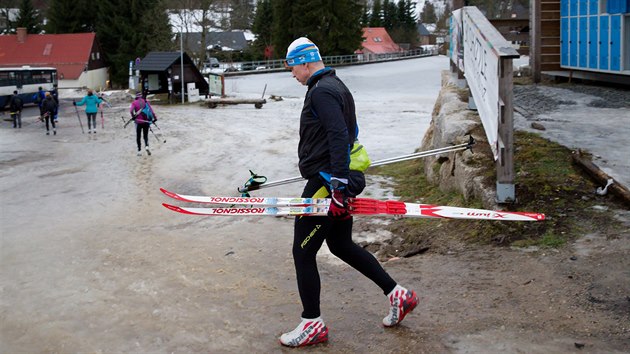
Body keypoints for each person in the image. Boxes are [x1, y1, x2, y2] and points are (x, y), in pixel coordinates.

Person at [279, 37, 419, 347]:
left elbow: (339, 135)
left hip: (327, 183)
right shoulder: (336, 85)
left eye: (292, 67)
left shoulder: (322, 92)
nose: (292, 74)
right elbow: (348, 133)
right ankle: (399, 295)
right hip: (337, 178)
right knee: (340, 244)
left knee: (302, 252)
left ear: (304, 61)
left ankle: (311, 323)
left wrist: (338, 185)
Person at [129, 92, 157, 156]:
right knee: (145, 135)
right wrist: (155, 118)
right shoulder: (145, 101)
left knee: (138, 136)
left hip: (138, 122)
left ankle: (139, 151)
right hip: (146, 121)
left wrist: (133, 116)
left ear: (136, 97)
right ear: (141, 96)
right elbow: (151, 110)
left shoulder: (134, 103)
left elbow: (131, 111)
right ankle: (147, 146)